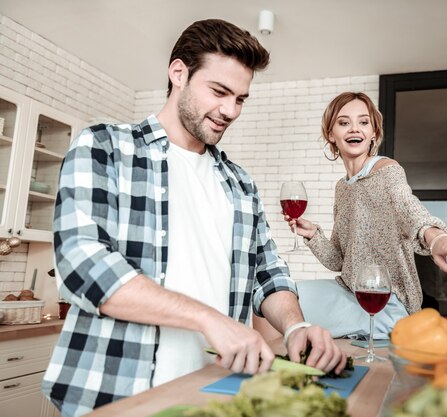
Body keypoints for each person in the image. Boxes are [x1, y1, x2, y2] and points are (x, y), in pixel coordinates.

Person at [42, 19, 346, 417]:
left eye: (240, 99)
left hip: (215, 396)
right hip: (114, 394)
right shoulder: (104, 147)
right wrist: (208, 319)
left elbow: (268, 273)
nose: (230, 110)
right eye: (219, 92)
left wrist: (294, 327)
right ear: (179, 73)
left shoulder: (239, 183)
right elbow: (82, 266)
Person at [283, 92, 447, 339]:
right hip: (349, 292)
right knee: (275, 298)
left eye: (363, 122)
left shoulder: (387, 170)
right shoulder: (342, 187)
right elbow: (338, 260)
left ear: (373, 133)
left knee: (283, 310)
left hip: (388, 302)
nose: (354, 129)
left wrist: (435, 238)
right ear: (331, 134)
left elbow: (406, 205)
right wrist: (313, 234)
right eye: (344, 122)